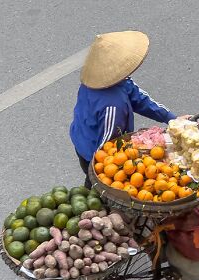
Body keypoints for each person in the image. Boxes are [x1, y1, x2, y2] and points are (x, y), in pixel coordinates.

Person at [70, 30, 189, 188]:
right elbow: (107, 148)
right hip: (92, 150)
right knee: (96, 186)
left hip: (82, 135)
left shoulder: (102, 81)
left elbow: (140, 98)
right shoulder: (113, 105)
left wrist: (171, 118)